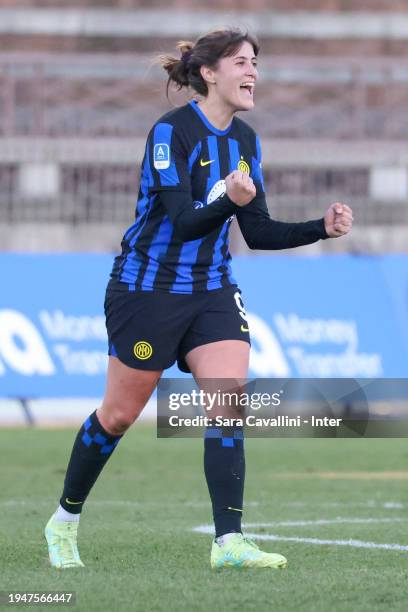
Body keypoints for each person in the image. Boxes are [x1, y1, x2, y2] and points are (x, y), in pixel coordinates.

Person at [44, 28, 353, 570]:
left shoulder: (247, 141)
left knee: (228, 403)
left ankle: (228, 542)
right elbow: (185, 221)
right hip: (147, 290)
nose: (252, 71)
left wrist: (320, 230)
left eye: (255, 61)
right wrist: (228, 201)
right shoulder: (170, 134)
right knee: (118, 415)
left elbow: (256, 233)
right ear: (210, 73)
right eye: (241, 61)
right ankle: (64, 521)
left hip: (212, 288)